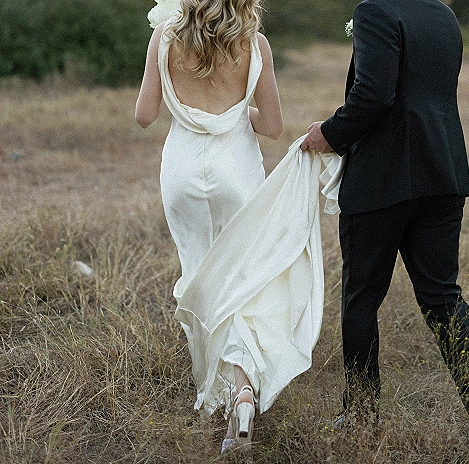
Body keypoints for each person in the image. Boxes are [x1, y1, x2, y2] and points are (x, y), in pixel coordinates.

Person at [300, 0, 469, 458]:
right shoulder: (443, 14)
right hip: (443, 171)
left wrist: (330, 133)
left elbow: (374, 95)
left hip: (383, 178)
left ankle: (360, 415)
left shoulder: (376, 10)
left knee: (361, 298)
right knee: (444, 299)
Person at [135, 0, 313, 456]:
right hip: (236, 169)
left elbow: (144, 114)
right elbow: (272, 127)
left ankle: (215, 388)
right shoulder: (255, 45)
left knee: (200, 275)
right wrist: (239, 115)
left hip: (181, 173)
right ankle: (242, 391)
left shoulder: (165, 38)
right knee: (241, 281)